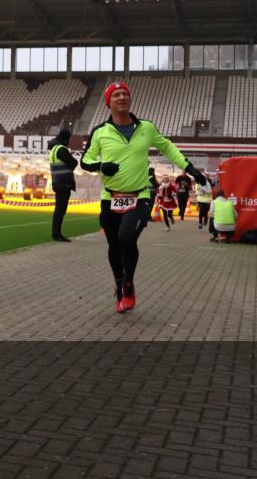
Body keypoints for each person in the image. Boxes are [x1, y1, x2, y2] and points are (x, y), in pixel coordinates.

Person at [81, 81, 206, 313]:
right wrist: (101, 166)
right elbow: (85, 161)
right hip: (110, 197)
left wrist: (191, 169)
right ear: (108, 102)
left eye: (125, 94)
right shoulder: (100, 132)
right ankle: (119, 285)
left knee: (126, 239)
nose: (121, 97)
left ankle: (128, 283)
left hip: (140, 196)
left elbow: (168, 148)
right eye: (116, 94)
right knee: (114, 245)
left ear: (130, 99)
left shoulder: (146, 127)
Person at [47, 128, 77, 242]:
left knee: (58, 210)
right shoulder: (62, 149)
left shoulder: (53, 149)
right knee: (60, 210)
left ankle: (56, 233)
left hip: (57, 182)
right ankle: (57, 235)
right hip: (64, 183)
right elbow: (73, 162)